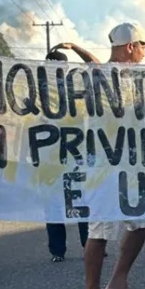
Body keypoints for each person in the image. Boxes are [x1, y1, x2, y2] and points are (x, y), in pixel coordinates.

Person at [82, 23, 145, 289]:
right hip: (104, 165)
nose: (144, 52)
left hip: (135, 163)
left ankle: (117, 283)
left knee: (144, 219)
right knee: (100, 228)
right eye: (142, 45)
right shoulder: (97, 77)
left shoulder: (141, 79)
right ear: (130, 46)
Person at [43, 50, 89, 261]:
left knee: (79, 201)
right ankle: (60, 249)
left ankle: (84, 245)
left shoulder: (76, 91)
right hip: (52, 157)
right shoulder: (39, 92)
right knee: (56, 204)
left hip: (72, 154)